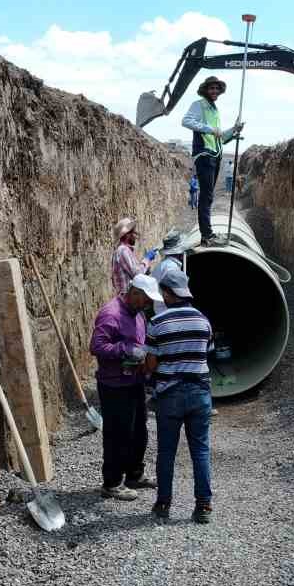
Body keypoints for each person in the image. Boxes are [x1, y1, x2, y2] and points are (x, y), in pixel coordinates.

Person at [143, 268, 215, 523]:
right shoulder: (203, 320)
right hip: (199, 393)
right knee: (201, 451)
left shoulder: (157, 323)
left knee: (166, 452)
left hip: (169, 395)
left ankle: (163, 504)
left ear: (168, 294)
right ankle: (204, 506)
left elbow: (150, 364)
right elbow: (208, 353)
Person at [90, 274, 159, 500]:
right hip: (114, 385)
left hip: (134, 381)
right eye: (146, 299)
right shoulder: (111, 314)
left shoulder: (137, 314)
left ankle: (134, 475)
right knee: (117, 434)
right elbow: (97, 346)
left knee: (139, 431)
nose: (148, 304)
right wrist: (125, 349)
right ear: (135, 293)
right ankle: (111, 482)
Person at [180, 76, 243, 246]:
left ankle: (208, 234)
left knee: (209, 196)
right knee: (206, 196)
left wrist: (234, 130)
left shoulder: (214, 110)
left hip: (215, 155)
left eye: (216, 88)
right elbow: (185, 121)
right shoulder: (199, 105)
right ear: (205, 90)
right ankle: (207, 235)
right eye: (211, 88)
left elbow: (220, 137)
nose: (214, 91)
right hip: (204, 155)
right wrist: (209, 129)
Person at [109, 217, 152, 297]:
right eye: (133, 233)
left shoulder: (125, 251)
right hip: (127, 298)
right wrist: (147, 259)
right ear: (127, 235)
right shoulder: (123, 251)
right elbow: (137, 275)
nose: (135, 236)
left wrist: (146, 269)